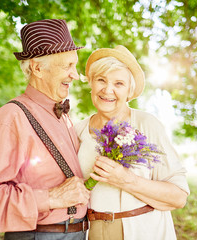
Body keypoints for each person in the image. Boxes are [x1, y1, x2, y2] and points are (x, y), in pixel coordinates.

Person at [0, 19, 90, 240]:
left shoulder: (64, 116)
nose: (75, 75)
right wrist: (51, 198)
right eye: (67, 66)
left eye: (75, 65)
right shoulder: (11, 117)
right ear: (37, 68)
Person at [74, 45, 190, 240]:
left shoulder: (147, 125)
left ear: (129, 91)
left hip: (143, 231)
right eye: (101, 80)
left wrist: (126, 180)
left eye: (118, 83)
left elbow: (179, 196)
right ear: (91, 84)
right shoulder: (77, 131)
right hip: (90, 233)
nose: (107, 90)